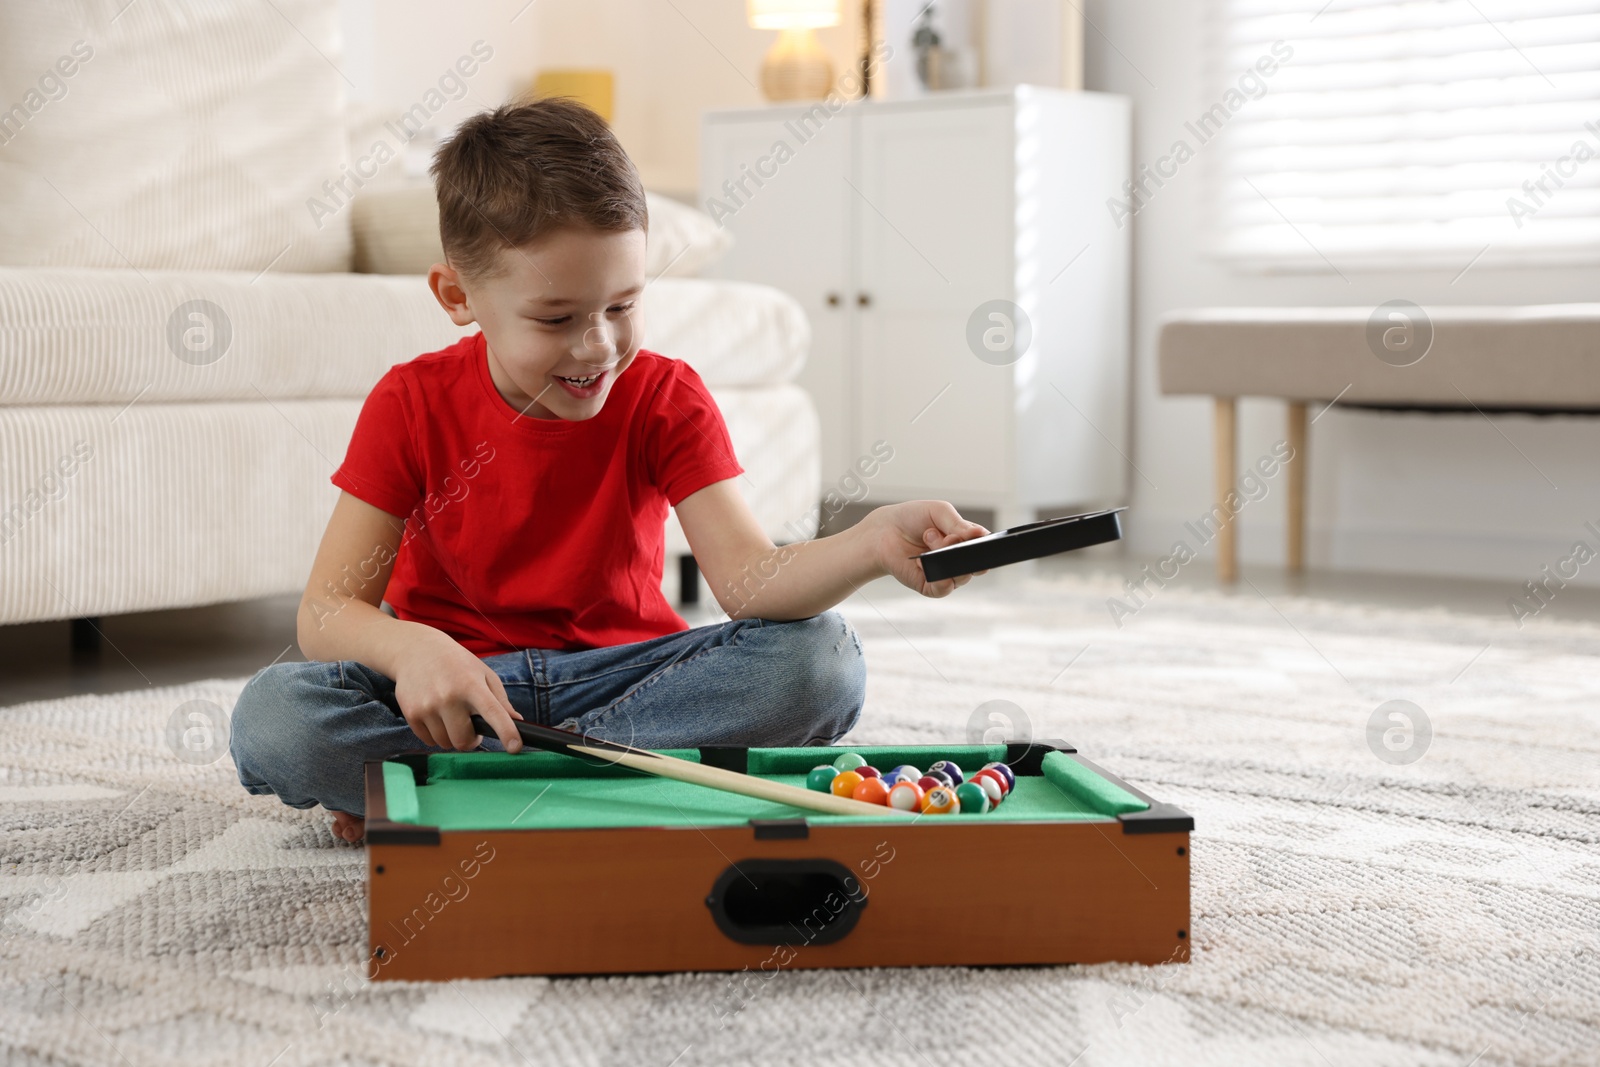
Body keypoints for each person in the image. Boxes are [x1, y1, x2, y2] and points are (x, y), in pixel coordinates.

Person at [228, 98, 988, 843]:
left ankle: (464, 788)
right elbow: (326, 611)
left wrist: (871, 542)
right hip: (459, 691)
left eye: (622, 306)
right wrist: (412, 649)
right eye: (557, 319)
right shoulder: (410, 401)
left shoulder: (664, 396)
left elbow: (749, 581)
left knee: (821, 661)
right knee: (273, 715)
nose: (597, 346)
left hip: (632, 680)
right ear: (459, 295)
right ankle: (616, 776)